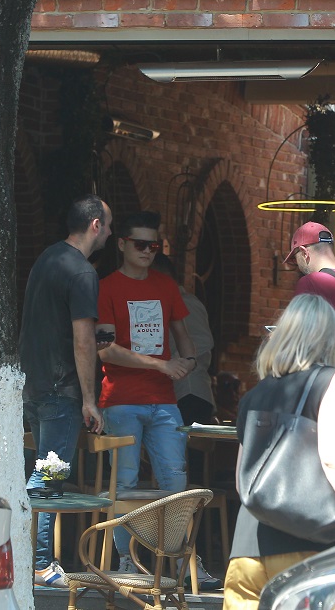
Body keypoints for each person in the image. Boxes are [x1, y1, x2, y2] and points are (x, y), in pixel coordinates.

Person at [223, 294, 335, 610]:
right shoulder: (333, 380)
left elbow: (243, 481)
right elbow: (333, 458)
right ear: (329, 337)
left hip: (245, 552)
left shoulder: (254, 394)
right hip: (304, 549)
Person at [95, 211, 220, 590]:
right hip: (121, 399)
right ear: (122, 244)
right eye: (140, 244)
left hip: (164, 400)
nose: (148, 251)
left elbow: (184, 335)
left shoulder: (165, 285)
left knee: (175, 480)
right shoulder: (107, 287)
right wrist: (162, 364)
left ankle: (182, 561)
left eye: (154, 245)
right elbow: (105, 349)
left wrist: (188, 361)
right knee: (125, 483)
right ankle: (125, 562)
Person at [20, 193, 111, 588]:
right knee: (48, 477)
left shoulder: (47, 258)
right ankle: (39, 565)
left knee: (42, 471)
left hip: (34, 383)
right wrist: (90, 399)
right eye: (109, 225)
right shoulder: (83, 272)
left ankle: (30, 560)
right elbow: (82, 341)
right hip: (61, 390)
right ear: (95, 225)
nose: (110, 233)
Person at [151, 253, 216, 425]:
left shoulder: (186, 303)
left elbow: (202, 341)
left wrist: (171, 364)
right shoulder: (162, 304)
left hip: (189, 392)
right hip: (177, 393)